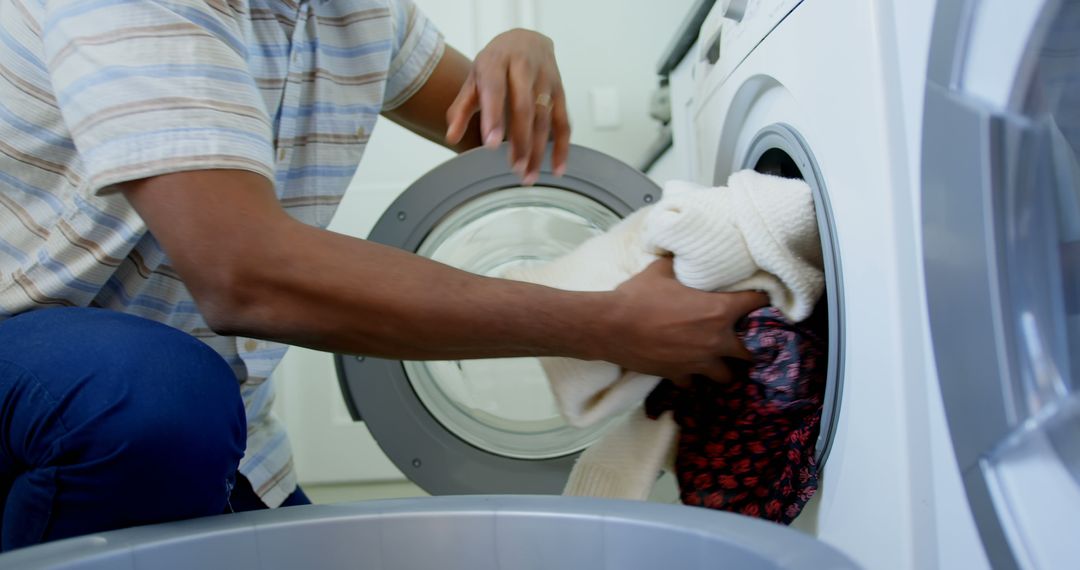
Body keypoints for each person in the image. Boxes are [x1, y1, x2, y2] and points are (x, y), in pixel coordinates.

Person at [0, 0, 766, 551]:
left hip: (208, 426)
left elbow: (494, 141)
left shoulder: (358, 14)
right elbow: (245, 275)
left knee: (176, 407)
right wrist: (607, 324)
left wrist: (520, 42)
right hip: (65, 378)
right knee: (154, 398)